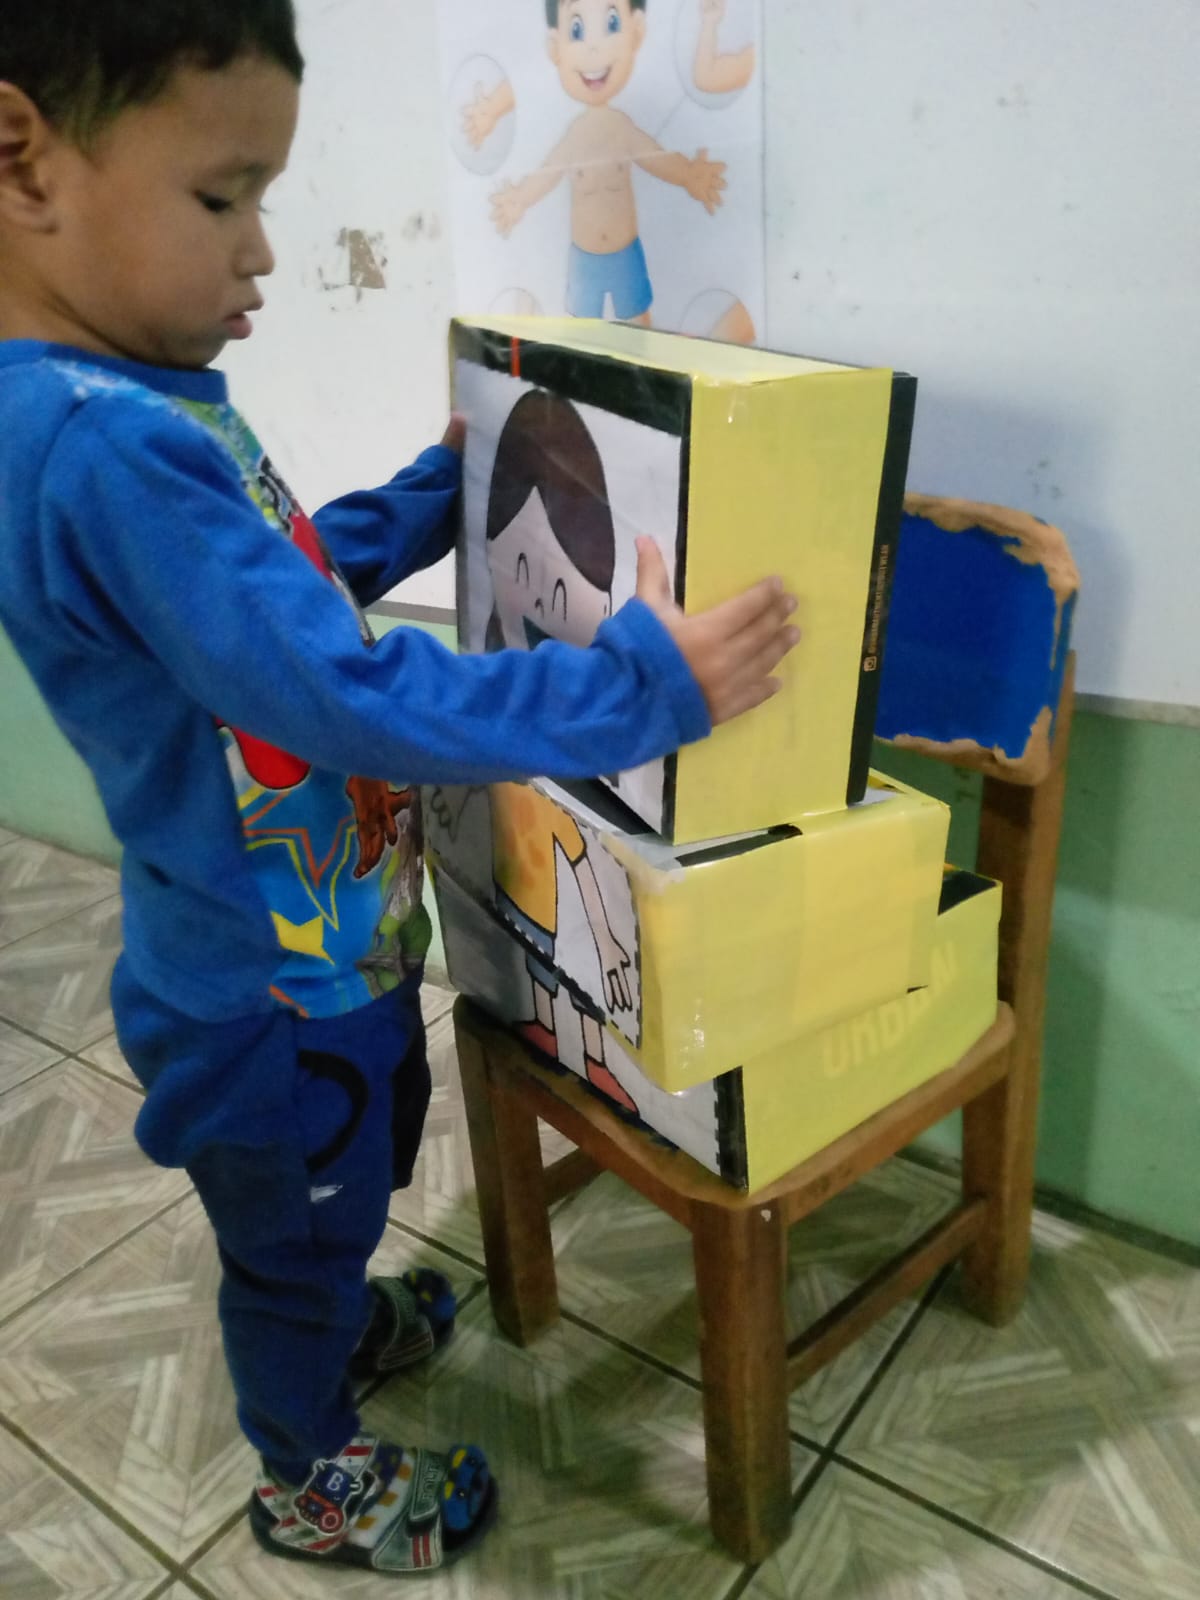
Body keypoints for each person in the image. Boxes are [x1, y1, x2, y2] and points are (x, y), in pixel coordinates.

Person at [0, 0, 798, 1578]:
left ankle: (332, 1302)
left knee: (335, 1197)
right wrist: (641, 686)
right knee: (293, 1236)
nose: (261, 254)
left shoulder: (125, 408)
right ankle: (306, 1473)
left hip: (315, 963)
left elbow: (279, 590)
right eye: (221, 198)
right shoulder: (99, 449)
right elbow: (339, 687)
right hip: (269, 999)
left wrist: (444, 492)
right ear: (23, 161)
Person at [488, 0, 727, 324]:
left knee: (640, 321)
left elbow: (655, 157)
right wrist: (520, 198)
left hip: (625, 255)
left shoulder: (622, 128)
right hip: (584, 260)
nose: (594, 48)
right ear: (556, 49)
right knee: (583, 329)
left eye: (612, 23)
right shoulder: (574, 135)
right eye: (577, 29)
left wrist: (688, 175)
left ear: (636, 32)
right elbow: (548, 173)